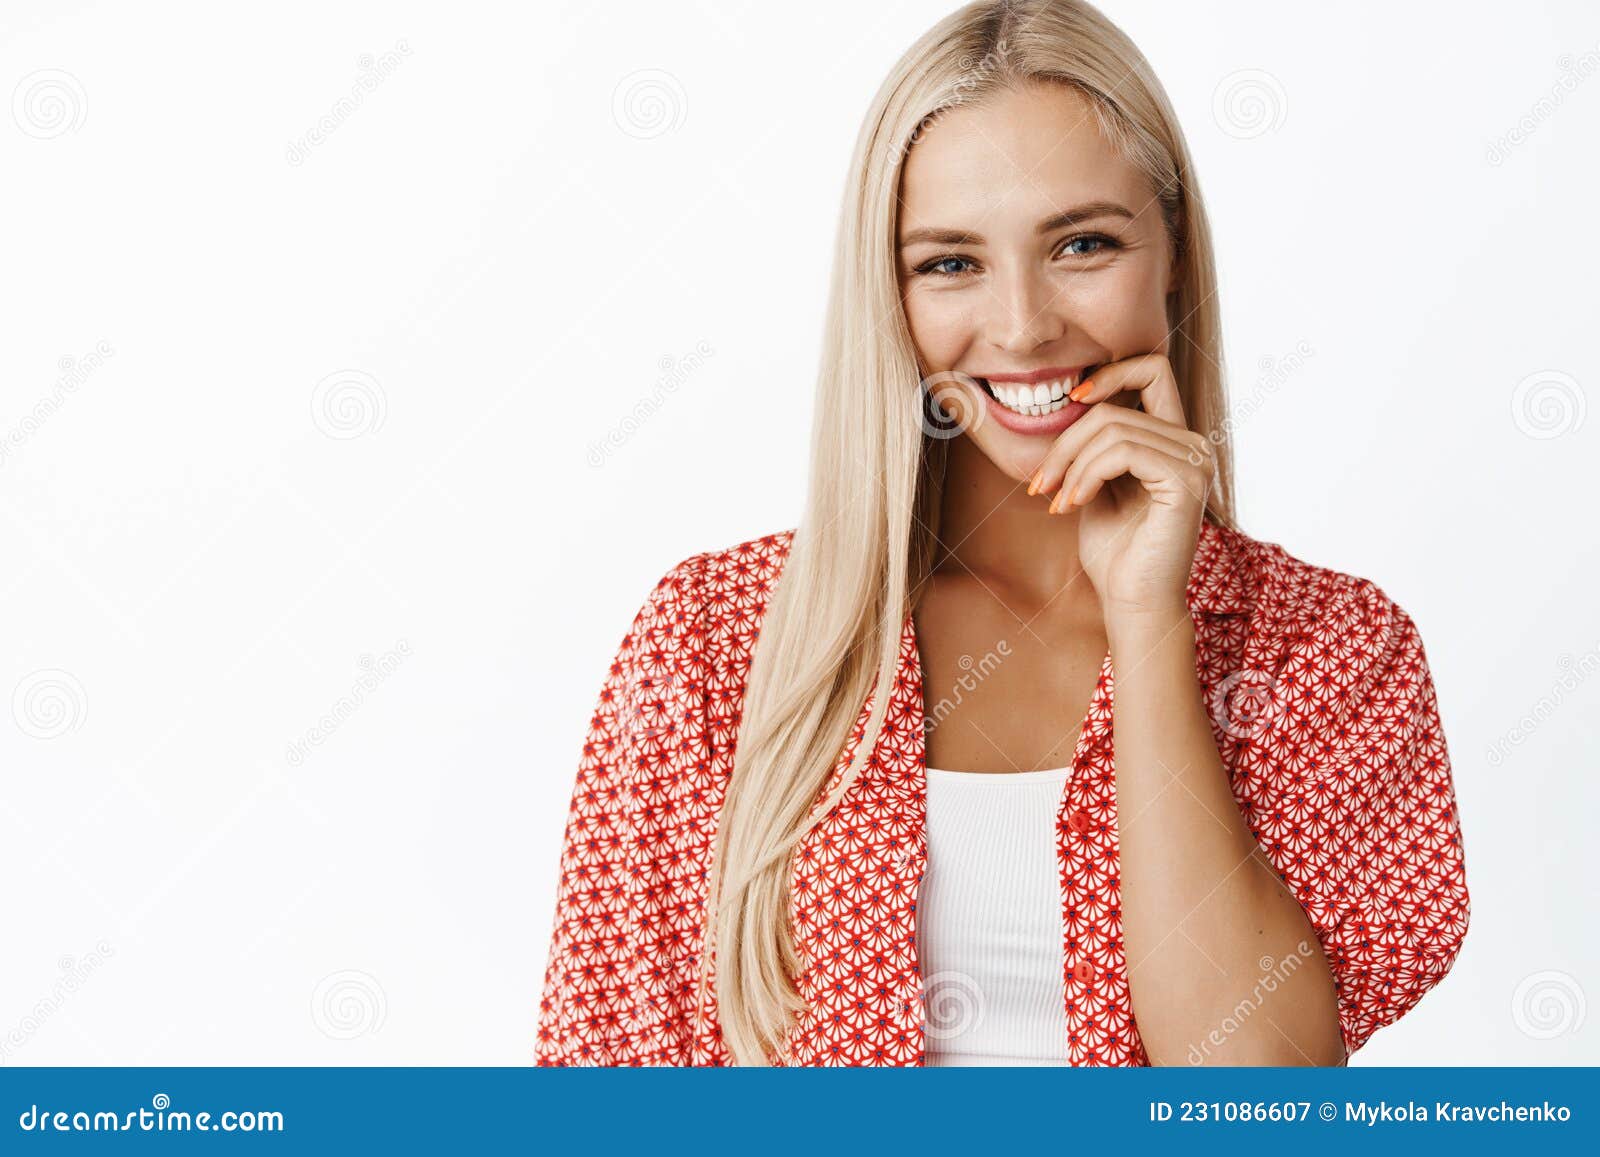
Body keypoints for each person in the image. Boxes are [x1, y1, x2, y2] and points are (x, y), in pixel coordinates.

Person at [535, 0, 1469, 1067]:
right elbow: (603, 1095)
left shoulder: (1327, 650)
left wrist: (1148, 621)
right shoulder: (713, 641)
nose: (1023, 326)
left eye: (1081, 243)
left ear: (1169, 251)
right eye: (950, 262)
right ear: (887, 292)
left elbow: (1259, 1093)